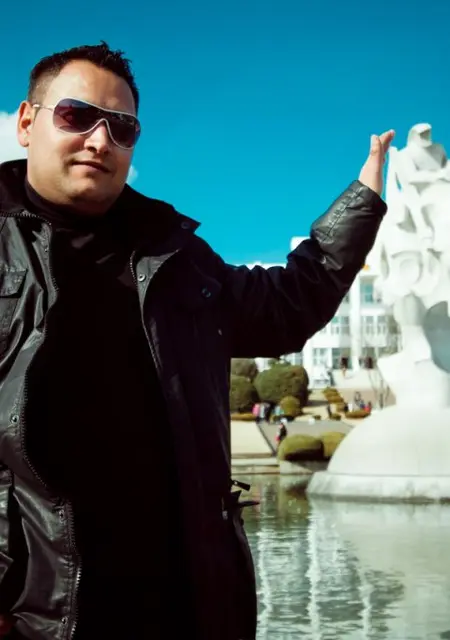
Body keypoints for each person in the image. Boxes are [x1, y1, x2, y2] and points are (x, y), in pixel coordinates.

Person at [0, 41, 394, 640]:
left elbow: (287, 305)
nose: (100, 141)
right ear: (28, 123)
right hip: (38, 615)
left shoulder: (175, 256)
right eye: (77, 116)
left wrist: (363, 203)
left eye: (122, 128)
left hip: (185, 606)